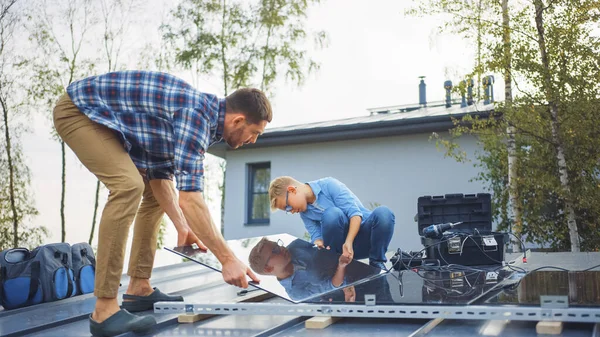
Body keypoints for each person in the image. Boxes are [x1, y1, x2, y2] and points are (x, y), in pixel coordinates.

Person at [53, 70, 270, 337]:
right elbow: (190, 198)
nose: (253, 140)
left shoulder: (203, 121)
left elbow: (160, 178)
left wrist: (182, 225)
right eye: (254, 133)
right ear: (238, 120)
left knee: (151, 193)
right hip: (79, 111)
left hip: (103, 119)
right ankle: (105, 310)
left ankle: (139, 287)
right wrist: (227, 259)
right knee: (127, 185)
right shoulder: (195, 116)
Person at [268, 176, 395, 270]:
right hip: (341, 252)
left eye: (288, 206)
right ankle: (336, 266)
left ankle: (377, 262)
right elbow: (316, 237)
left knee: (384, 213)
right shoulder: (304, 212)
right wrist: (318, 244)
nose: (291, 211)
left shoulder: (329, 185)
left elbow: (355, 215)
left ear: (292, 190)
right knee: (332, 215)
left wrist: (349, 242)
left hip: (365, 239)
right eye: (287, 211)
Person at [248, 237, 352, 301]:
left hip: (346, 252)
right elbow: (333, 285)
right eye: (275, 251)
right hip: (351, 282)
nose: (281, 248)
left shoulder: (294, 247)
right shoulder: (296, 292)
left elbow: (316, 237)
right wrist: (341, 266)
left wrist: (321, 241)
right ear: (268, 268)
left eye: (278, 245)